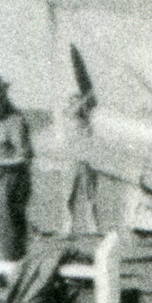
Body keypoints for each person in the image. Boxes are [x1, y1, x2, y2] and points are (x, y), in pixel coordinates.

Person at [0, 73, 33, 261]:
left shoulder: (15, 120)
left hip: (15, 180)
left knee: (12, 232)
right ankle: (12, 270)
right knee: (6, 230)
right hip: (4, 180)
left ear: (2, 96)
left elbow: (25, 156)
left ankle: (16, 272)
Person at [60, 87, 100, 236]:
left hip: (87, 160)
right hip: (71, 160)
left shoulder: (87, 118)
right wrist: (86, 96)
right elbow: (73, 110)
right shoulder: (68, 116)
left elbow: (91, 107)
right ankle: (67, 227)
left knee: (90, 194)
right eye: (74, 101)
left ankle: (92, 226)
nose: (78, 104)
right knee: (68, 195)